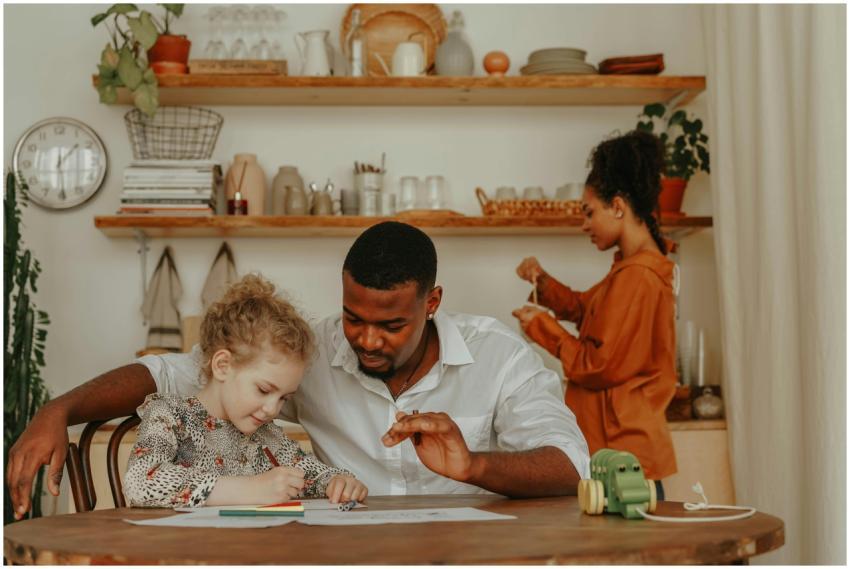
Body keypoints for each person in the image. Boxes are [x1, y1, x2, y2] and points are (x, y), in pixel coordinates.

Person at [8, 221, 589, 519]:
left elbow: (570, 466)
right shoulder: (307, 353)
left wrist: (473, 465)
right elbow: (171, 376)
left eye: (390, 326)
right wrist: (56, 411)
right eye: (353, 316)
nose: (365, 338)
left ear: (431, 303)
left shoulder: (500, 355)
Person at [512, 130, 677, 500]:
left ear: (618, 206)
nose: (584, 224)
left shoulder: (638, 276)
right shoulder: (630, 271)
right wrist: (543, 282)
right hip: (617, 452)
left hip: (623, 454)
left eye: (589, 212)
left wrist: (542, 328)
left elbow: (599, 364)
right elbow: (590, 311)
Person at [124, 274, 367, 508]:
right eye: (263, 390)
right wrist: (249, 489)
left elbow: (310, 473)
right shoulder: (169, 416)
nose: (273, 409)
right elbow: (140, 481)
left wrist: (338, 482)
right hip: (183, 550)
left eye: (284, 398)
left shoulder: (266, 435)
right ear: (222, 366)